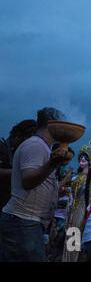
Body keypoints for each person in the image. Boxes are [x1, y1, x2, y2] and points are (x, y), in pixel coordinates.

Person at [0, 107, 73, 262]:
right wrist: (53, 164)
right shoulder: (35, 146)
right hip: (23, 222)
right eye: (62, 123)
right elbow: (28, 181)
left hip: (28, 223)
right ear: (52, 122)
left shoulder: (42, 147)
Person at [62, 137, 91, 262]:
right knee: (70, 233)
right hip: (72, 207)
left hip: (82, 207)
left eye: (85, 158)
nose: (82, 160)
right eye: (81, 158)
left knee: (75, 234)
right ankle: (67, 258)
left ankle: (72, 258)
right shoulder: (76, 177)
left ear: (90, 161)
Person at [0, 119, 38, 211]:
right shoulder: (2, 147)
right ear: (17, 136)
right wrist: (21, 172)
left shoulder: (17, 153)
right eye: (28, 140)